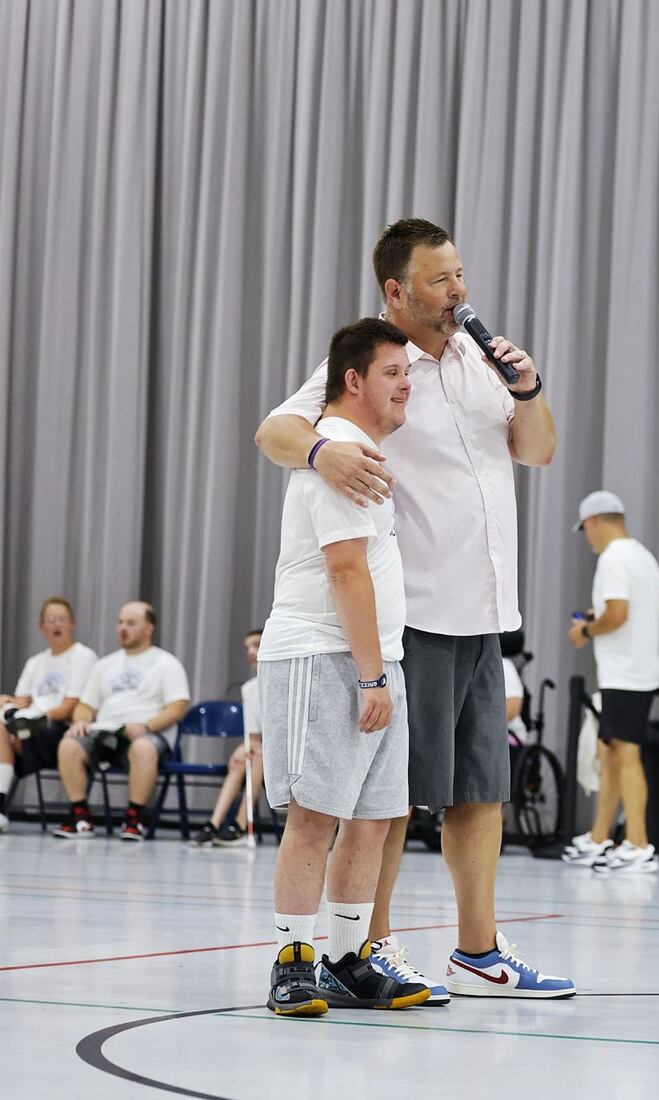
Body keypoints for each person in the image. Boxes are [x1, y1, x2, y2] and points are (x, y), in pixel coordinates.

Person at [255, 219, 571, 1001]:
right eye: (440, 280)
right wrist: (325, 452)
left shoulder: (480, 361)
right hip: (416, 614)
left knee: (479, 789)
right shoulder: (368, 368)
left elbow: (537, 451)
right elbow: (276, 431)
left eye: (459, 274)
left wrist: (527, 389)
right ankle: (372, 944)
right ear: (396, 291)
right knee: (388, 801)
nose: (458, 291)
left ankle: (479, 947)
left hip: (486, 610)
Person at [257, 319, 432, 1016]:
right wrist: (369, 676)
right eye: (393, 373)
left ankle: (346, 959)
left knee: (372, 818)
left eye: (408, 373)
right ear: (353, 380)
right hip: (321, 654)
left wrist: (380, 667)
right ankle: (294, 959)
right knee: (315, 814)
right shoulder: (340, 451)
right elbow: (344, 569)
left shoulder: (358, 451)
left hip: (375, 657)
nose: (406, 385)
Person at [563, 492, 659, 873]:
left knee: (625, 752)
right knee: (610, 751)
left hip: (624, 671)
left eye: (586, 530)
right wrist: (608, 613)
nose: (588, 538)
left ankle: (639, 843)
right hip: (638, 667)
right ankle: (599, 837)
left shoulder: (612, 558)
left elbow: (619, 615)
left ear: (593, 522)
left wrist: (587, 630)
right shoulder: (641, 554)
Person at [53, 602, 191, 841]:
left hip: (146, 732)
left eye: (130, 623)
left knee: (143, 747)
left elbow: (178, 707)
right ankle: (80, 815)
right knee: (69, 744)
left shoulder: (166, 663)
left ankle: (134, 818)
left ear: (149, 628)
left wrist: (146, 726)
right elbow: (85, 705)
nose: (122, 628)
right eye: (120, 622)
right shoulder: (105, 665)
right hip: (106, 732)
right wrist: (81, 721)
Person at [0, 597, 98, 832]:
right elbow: (21, 701)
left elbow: (69, 707)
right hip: (28, 726)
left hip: (61, 728)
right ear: (41, 626)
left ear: (72, 624)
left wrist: (28, 716)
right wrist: (7, 702)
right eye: (50, 620)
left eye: (62, 619)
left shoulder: (83, 656)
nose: (57, 625)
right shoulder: (36, 662)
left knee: (6, 732)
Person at [192, 628, 265, 847]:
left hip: (289, 752)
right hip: (263, 751)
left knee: (259, 755)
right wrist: (246, 747)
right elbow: (253, 736)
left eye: (257, 645)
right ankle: (215, 824)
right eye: (248, 648)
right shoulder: (249, 689)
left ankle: (241, 824)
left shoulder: (288, 682)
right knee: (241, 757)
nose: (251, 652)